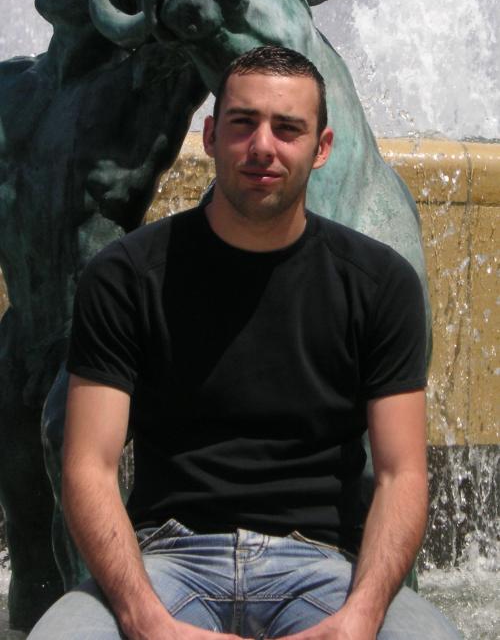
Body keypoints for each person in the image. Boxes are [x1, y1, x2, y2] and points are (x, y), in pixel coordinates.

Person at [28, 46, 460, 640]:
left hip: (321, 564)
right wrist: (145, 620)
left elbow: (400, 475)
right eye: (243, 123)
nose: (263, 146)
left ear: (322, 148)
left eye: (288, 129)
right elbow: (89, 466)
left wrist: (359, 618)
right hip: (166, 560)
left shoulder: (379, 283)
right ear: (209, 136)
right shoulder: (126, 276)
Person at [0, 0, 206, 629]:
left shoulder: (145, 86)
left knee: (77, 523)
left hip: (88, 337)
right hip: (19, 334)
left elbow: (211, 13)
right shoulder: (9, 87)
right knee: (24, 527)